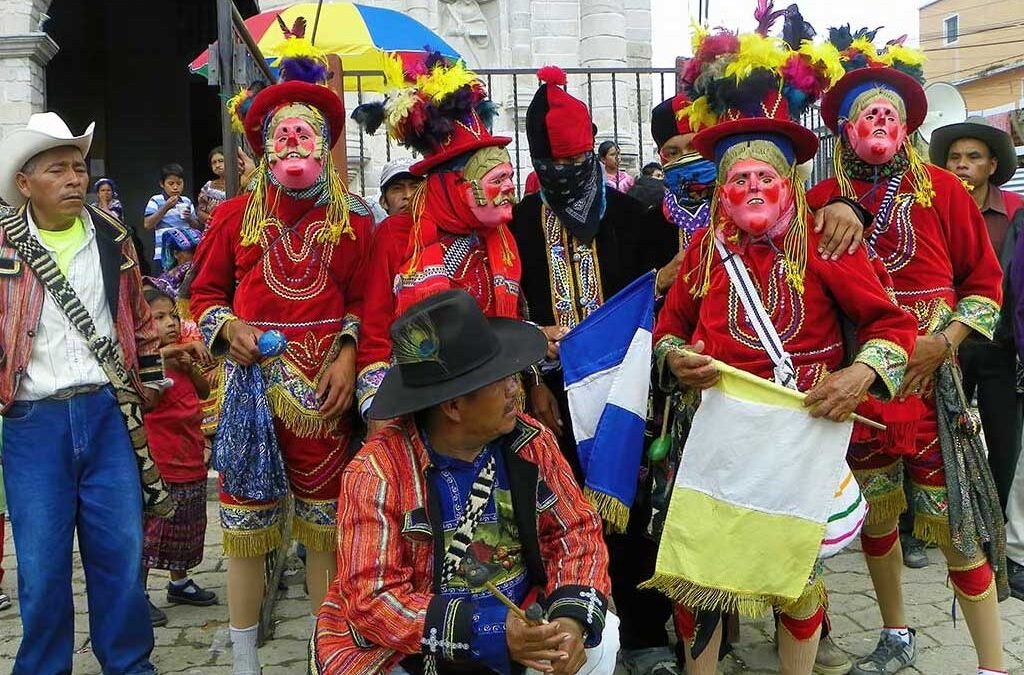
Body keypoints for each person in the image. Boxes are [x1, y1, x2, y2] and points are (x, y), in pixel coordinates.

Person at [648, 22, 917, 675]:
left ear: (788, 183)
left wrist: (858, 374)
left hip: (801, 437)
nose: (752, 189)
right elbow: (667, 331)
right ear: (721, 191)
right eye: (737, 180)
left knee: (797, 579)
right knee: (699, 577)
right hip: (718, 437)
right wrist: (674, 359)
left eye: (763, 177)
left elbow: (894, 328)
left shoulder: (829, 242)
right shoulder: (703, 257)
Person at [809, 33, 1007, 675]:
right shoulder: (818, 202)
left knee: (957, 528)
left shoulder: (945, 193)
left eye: (891, 112)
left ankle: (991, 664)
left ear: (908, 126)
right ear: (844, 127)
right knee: (876, 518)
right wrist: (831, 202)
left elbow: (984, 287)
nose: (880, 122)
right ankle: (897, 633)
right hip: (861, 392)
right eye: (867, 111)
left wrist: (943, 343)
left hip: (934, 391)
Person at [312, 289, 616, 674]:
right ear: (453, 406)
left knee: (602, 643)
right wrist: (489, 631)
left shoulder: (531, 443)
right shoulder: (376, 471)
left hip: (524, 625)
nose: (514, 389)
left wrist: (570, 622)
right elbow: (374, 599)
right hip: (415, 652)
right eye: (499, 380)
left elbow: (577, 533)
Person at [189, 38, 373, 675]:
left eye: (306, 135)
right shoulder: (234, 217)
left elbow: (365, 300)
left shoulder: (355, 222)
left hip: (325, 392)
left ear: (324, 145)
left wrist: (348, 352)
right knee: (245, 528)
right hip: (250, 391)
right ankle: (244, 664)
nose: (294, 146)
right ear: (264, 146)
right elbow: (203, 293)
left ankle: (326, 658)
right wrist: (227, 325)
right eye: (283, 135)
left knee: (325, 527)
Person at [511, 65, 681, 675]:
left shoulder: (639, 217)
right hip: (549, 395)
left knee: (635, 509)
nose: (569, 178)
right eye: (556, 168)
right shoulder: (520, 224)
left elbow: (667, 298)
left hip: (631, 394)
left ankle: (644, 633)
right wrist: (533, 376)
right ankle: (574, 629)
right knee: (559, 514)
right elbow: (512, 310)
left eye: (580, 162)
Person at [0, 111, 169, 674]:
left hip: (105, 415)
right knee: (43, 569)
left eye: (78, 167)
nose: (75, 178)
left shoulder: (111, 236)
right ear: (25, 183)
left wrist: (147, 390)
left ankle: (129, 665)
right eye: (57, 170)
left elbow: (140, 320)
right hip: (31, 422)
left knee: (120, 559)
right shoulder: (2, 248)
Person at [352, 55, 525, 424]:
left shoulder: (501, 240)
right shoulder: (397, 236)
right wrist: (379, 414)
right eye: (496, 180)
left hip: (493, 406)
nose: (509, 188)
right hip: (416, 406)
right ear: (454, 187)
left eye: (509, 177)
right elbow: (376, 335)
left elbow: (511, 326)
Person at [929, 116, 1023, 515]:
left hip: (1001, 347)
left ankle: (996, 525)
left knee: (1004, 442)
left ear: (992, 166)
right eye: (953, 157)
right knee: (937, 438)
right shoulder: (930, 207)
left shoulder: (1017, 211)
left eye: (973, 157)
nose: (961, 164)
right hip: (948, 345)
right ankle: (927, 524)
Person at [141, 285, 217, 627]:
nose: (170, 322)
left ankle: (179, 582)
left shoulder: (178, 359)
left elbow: (203, 391)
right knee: (152, 529)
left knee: (187, 522)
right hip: (161, 458)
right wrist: (178, 350)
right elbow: (151, 402)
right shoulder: (145, 361)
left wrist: (188, 364)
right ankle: (136, 594)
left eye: (173, 315)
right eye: (158, 318)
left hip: (189, 453)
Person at [143, 162, 201, 264]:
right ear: (162, 184)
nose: (175, 187)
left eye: (179, 183)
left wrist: (189, 219)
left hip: (186, 254)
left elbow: (197, 227)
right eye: (171, 184)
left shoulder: (186, 201)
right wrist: (166, 207)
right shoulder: (156, 200)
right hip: (163, 254)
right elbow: (147, 224)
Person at [159, 226, 202, 298]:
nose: (197, 255)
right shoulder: (164, 283)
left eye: (200, 250)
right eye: (192, 252)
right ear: (176, 254)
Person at [197, 147, 228, 227]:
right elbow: (200, 211)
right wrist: (214, 221)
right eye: (214, 162)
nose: (217, 165)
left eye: (221, 161)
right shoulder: (208, 186)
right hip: (213, 228)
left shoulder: (240, 183)